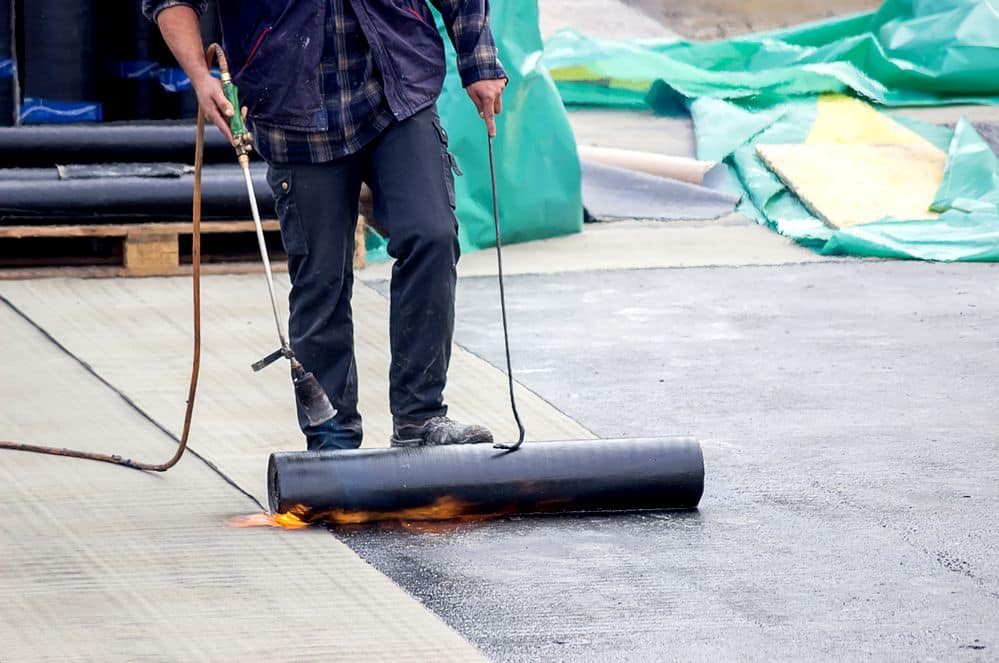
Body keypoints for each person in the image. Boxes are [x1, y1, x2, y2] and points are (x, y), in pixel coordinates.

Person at [144, 0, 507, 449]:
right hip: (293, 108)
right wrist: (200, 77)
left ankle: (421, 418)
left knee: (431, 235)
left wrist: (479, 59)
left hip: (395, 87)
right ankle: (331, 440)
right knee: (321, 280)